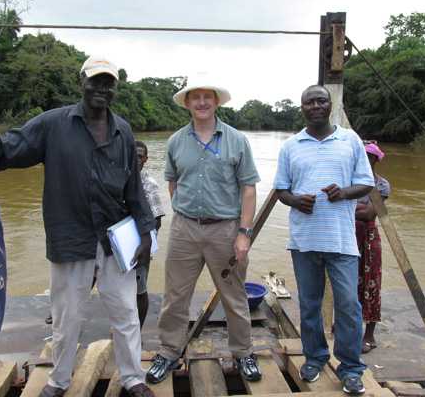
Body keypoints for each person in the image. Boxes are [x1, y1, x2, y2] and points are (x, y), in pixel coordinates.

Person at [0, 57, 157, 397]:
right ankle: (59, 380)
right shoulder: (55, 124)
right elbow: (9, 145)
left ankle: (132, 378)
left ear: (116, 88)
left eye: (108, 83)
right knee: (67, 318)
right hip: (72, 238)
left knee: (127, 313)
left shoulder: (123, 130)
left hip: (115, 240)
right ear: (81, 82)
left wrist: (145, 233)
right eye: (95, 81)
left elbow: (134, 189)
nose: (101, 88)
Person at [146, 79, 262, 383]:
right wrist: (187, 217)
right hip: (184, 229)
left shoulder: (237, 140)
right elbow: (173, 184)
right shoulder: (175, 142)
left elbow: (248, 189)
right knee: (175, 295)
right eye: (194, 97)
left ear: (216, 102)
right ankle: (169, 351)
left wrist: (243, 233)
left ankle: (243, 353)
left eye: (206, 97)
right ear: (187, 103)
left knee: (234, 295)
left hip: (225, 230)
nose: (200, 102)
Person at [274, 84, 374, 395]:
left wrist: (343, 193)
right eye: (309, 102)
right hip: (304, 241)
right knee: (309, 304)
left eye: (321, 100)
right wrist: (295, 201)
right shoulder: (291, 145)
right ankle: (315, 358)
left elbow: (366, 183)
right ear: (301, 108)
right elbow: (281, 190)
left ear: (330, 106)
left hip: (342, 240)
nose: (315, 106)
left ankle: (351, 367)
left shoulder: (350, 140)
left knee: (348, 304)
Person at [355, 142, 389, 354]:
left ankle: (369, 334)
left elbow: (370, 214)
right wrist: (359, 208)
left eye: (369, 157)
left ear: (376, 160)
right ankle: (345, 327)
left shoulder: (382, 185)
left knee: (372, 282)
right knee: (347, 282)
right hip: (348, 236)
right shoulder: (351, 180)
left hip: (368, 237)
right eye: (362, 156)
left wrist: (352, 207)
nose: (365, 160)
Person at [135, 140, 166, 328]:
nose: (136, 159)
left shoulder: (149, 184)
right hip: (118, 244)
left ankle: (137, 331)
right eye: (133, 155)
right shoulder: (119, 179)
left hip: (141, 243)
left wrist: (146, 246)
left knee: (140, 288)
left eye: (140, 156)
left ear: (146, 159)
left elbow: (157, 221)